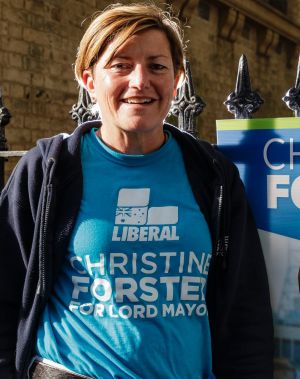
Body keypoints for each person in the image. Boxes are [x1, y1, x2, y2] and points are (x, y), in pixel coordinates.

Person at [0, 3, 273, 379]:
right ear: (88, 80)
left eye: (157, 66)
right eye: (120, 64)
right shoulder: (48, 170)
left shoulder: (213, 175)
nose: (140, 81)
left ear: (177, 80)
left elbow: (246, 309)